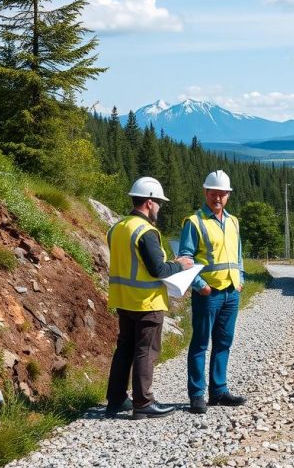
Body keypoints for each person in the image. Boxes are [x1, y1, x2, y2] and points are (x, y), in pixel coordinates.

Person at [105, 177, 194, 419]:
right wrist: (180, 265)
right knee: (146, 350)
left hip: (123, 300)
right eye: (159, 203)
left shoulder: (117, 228)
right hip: (146, 301)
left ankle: (115, 400)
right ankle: (143, 402)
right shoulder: (146, 231)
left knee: (124, 349)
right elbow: (159, 270)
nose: (160, 209)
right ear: (149, 202)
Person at [180, 170, 247, 414]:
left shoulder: (233, 221)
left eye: (222, 194)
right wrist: (200, 286)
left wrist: (240, 278)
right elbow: (184, 259)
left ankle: (218, 391)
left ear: (228, 195)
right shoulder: (194, 222)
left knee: (224, 343)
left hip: (231, 291)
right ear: (206, 193)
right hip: (208, 294)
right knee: (200, 344)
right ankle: (197, 394)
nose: (217, 198)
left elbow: (238, 254)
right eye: (213, 193)